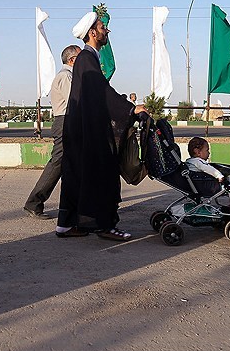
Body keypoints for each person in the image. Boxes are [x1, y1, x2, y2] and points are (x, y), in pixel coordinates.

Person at [55, 12, 148, 241]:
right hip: (87, 131)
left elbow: (98, 93)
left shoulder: (88, 58)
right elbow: (102, 92)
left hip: (79, 129)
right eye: (103, 27)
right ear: (93, 33)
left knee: (77, 175)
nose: (107, 31)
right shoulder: (87, 58)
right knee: (102, 174)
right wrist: (130, 109)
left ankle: (66, 225)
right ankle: (104, 226)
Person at [23, 45, 82, 220]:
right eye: (81, 57)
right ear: (72, 60)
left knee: (73, 165)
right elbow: (76, 101)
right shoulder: (66, 76)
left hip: (69, 122)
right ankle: (33, 203)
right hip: (65, 122)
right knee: (57, 163)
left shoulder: (70, 76)